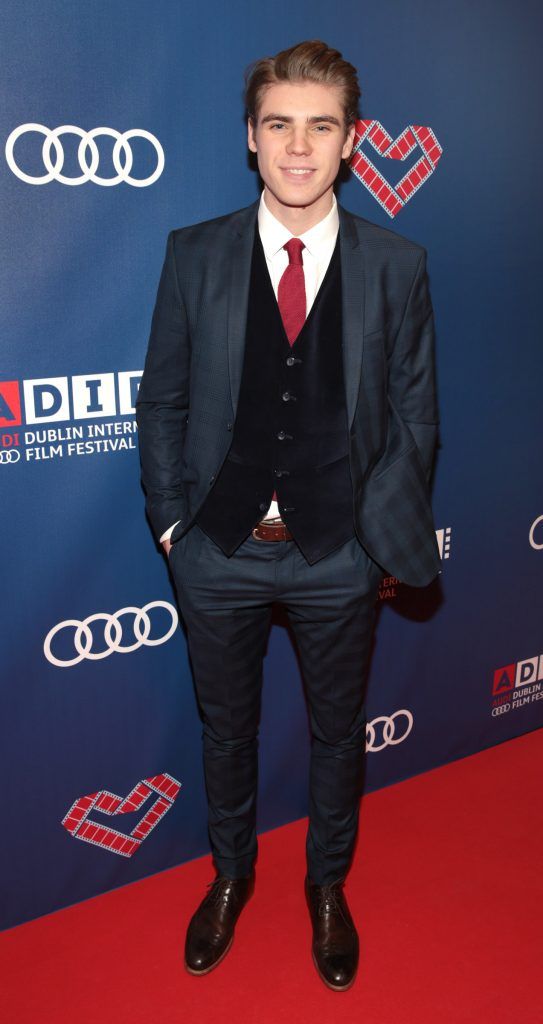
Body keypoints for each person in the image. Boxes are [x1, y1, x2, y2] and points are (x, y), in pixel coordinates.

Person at [136, 39, 440, 991]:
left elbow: (415, 417)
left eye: (320, 125)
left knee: (336, 730)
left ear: (351, 141)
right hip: (216, 550)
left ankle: (324, 887)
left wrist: (374, 540)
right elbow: (163, 403)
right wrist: (173, 528)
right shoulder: (194, 254)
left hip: (337, 556)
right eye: (279, 124)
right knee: (224, 732)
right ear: (251, 138)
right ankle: (231, 876)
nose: (298, 147)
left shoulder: (397, 264)